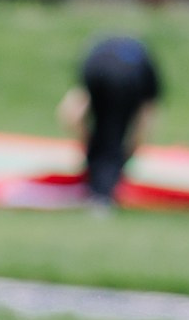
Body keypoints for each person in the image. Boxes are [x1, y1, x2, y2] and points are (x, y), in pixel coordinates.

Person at [59, 34, 163, 208]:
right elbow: (147, 116)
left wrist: (86, 140)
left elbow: (71, 111)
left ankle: (92, 184)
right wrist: (132, 149)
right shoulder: (145, 68)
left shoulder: (99, 50)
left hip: (95, 66)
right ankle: (102, 197)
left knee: (103, 133)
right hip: (126, 79)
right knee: (114, 136)